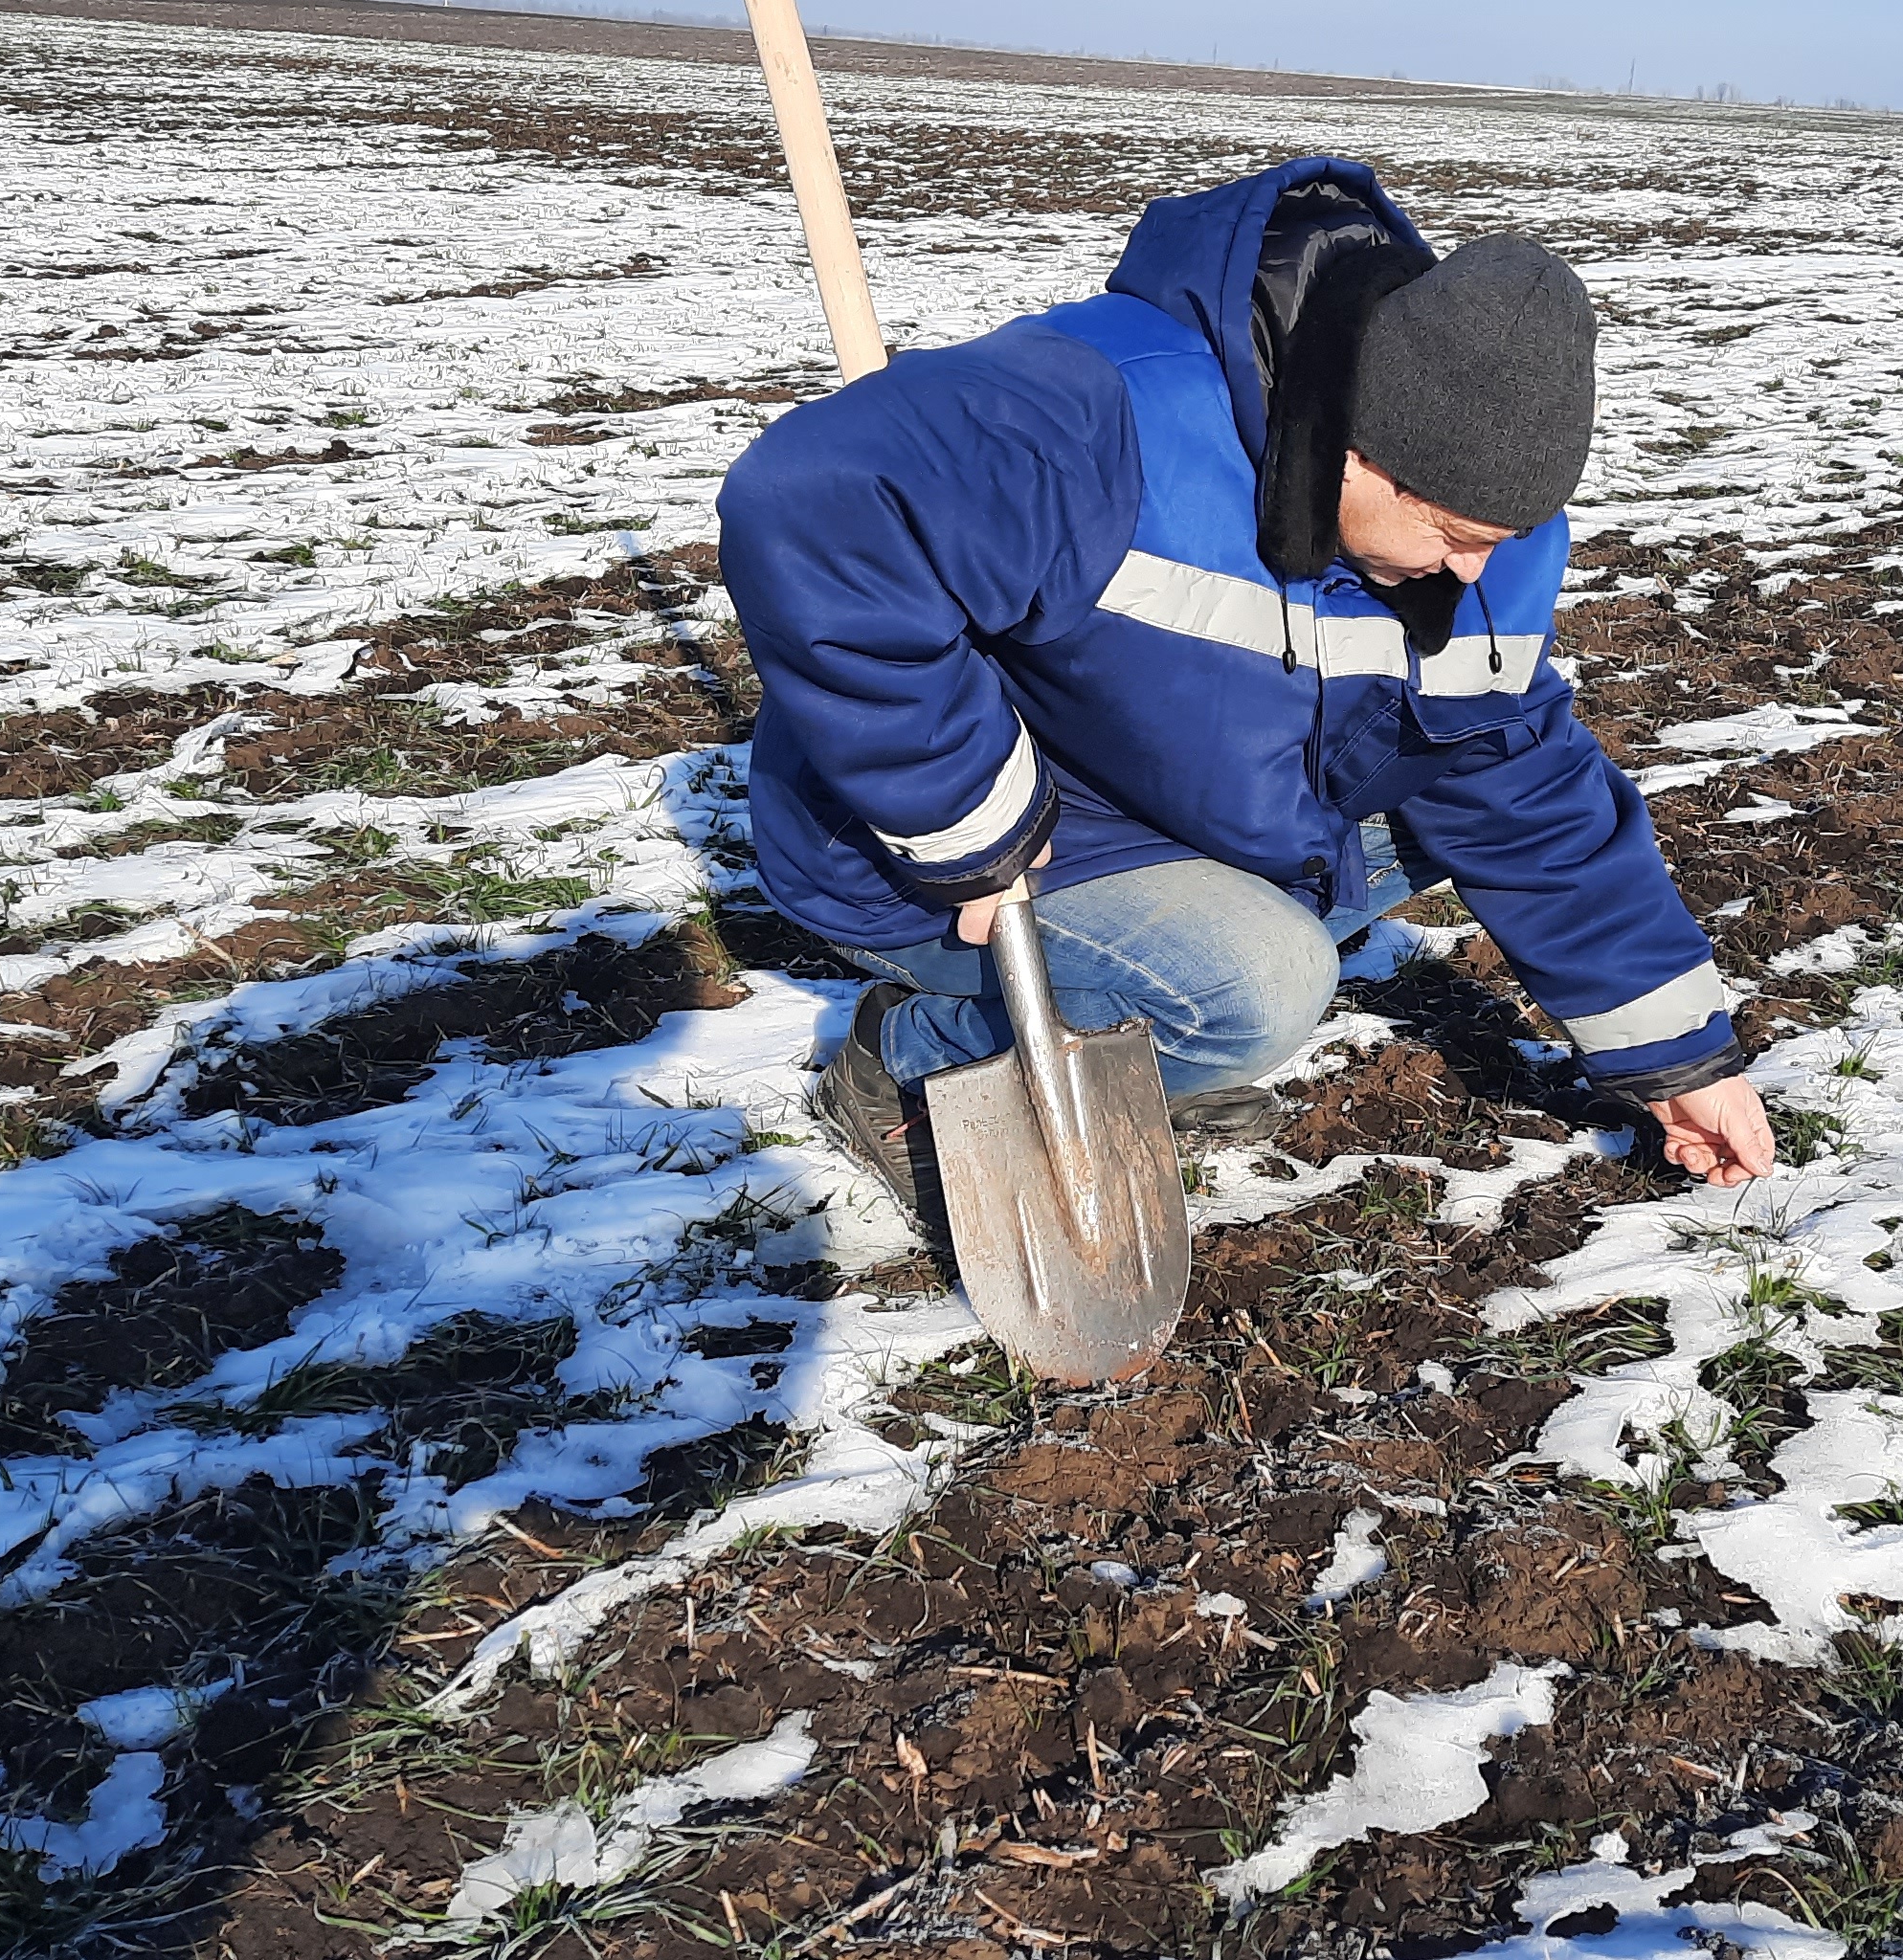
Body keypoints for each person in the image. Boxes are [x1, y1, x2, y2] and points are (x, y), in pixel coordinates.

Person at [713, 156, 1776, 1227]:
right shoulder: (1106, 415)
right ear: (1356, 453)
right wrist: (957, 815)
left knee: (1438, 810)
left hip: (1165, 793)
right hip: (927, 849)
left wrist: (1681, 1064)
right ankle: (900, 1065)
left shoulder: (1473, 541)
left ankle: (1136, 1037)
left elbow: (1519, 786)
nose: (1470, 574)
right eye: (1453, 536)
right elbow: (814, 499)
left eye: (1497, 544)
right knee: (1256, 986)